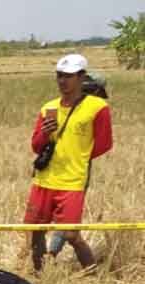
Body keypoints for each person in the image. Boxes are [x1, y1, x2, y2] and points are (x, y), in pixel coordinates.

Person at [27, 54, 112, 272]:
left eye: (68, 76)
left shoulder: (97, 107)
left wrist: (79, 156)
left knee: (71, 234)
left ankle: (93, 275)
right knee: (35, 230)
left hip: (73, 180)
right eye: (59, 76)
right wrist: (45, 134)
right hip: (44, 179)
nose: (63, 81)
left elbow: (104, 143)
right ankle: (40, 276)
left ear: (82, 77)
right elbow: (36, 146)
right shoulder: (48, 108)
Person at [48, 68, 110, 256]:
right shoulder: (63, 107)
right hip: (57, 168)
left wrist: (80, 155)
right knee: (60, 222)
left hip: (74, 170)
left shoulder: (94, 110)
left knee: (67, 224)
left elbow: (101, 144)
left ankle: (50, 256)